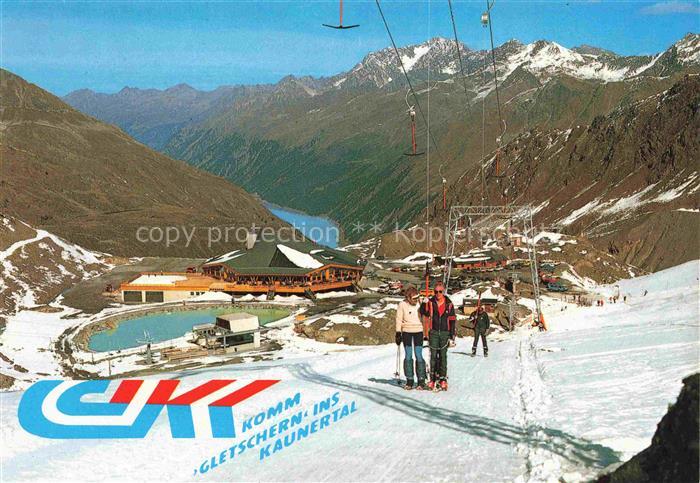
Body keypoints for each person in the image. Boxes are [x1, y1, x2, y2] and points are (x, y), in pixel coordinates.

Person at [419, 281, 456, 391]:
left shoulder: (449, 304)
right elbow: (424, 313)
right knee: (433, 356)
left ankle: (443, 379)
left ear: (443, 291)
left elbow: (452, 320)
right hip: (433, 332)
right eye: (436, 292)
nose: (438, 294)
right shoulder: (430, 302)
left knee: (443, 357)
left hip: (445, 333)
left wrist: (452, 335)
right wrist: (423, 303)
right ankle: (432, 379)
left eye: (440, 291)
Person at [395, 285, 427, 390]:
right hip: (407, 332)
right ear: (408, 298)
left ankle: (421, 379)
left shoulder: (421, 303)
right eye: (413, 298)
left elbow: (427, 314)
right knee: (408, 355)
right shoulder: (402, 304)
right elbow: (399, 319)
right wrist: (398, 333)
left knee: (418, 354)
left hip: (418, 330)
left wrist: (425, 304)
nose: (416, 300)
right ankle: (409, 379)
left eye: (417, 297)